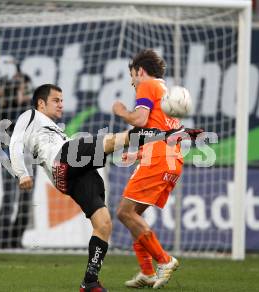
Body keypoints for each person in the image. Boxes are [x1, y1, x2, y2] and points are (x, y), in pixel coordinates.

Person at [9, 84, 196, 291]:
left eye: (62, 100)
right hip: (63, 157)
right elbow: (15, 143)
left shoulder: (54, 128)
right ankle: (167, 133)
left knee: (104, 223)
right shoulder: (30, 116)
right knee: (116, 140)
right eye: (56, 100)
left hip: (69, 176)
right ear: (40, 103)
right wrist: (22, 173)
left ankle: (90, 281)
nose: (61, 105)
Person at [112, 49, 184, 289]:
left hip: (159, 159)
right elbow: (163, 132)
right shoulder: (166, 92)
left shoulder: (147, 85)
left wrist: (121, 111)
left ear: (140, 71)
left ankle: (164, 260)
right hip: (172, 160)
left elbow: (141, 120)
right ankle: (147, 272)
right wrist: (138, 153)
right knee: (134, 216)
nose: (132, 82)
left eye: (132, 76)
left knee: (124, 212)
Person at [0, 66, 35, 248]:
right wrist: (7, 92)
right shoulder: (6, 104)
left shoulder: (33, 108)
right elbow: (3, 104)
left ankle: (16, 238)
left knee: (26, 200)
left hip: (29, 155)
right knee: (9, 197)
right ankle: (3, 239)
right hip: (9, 153)